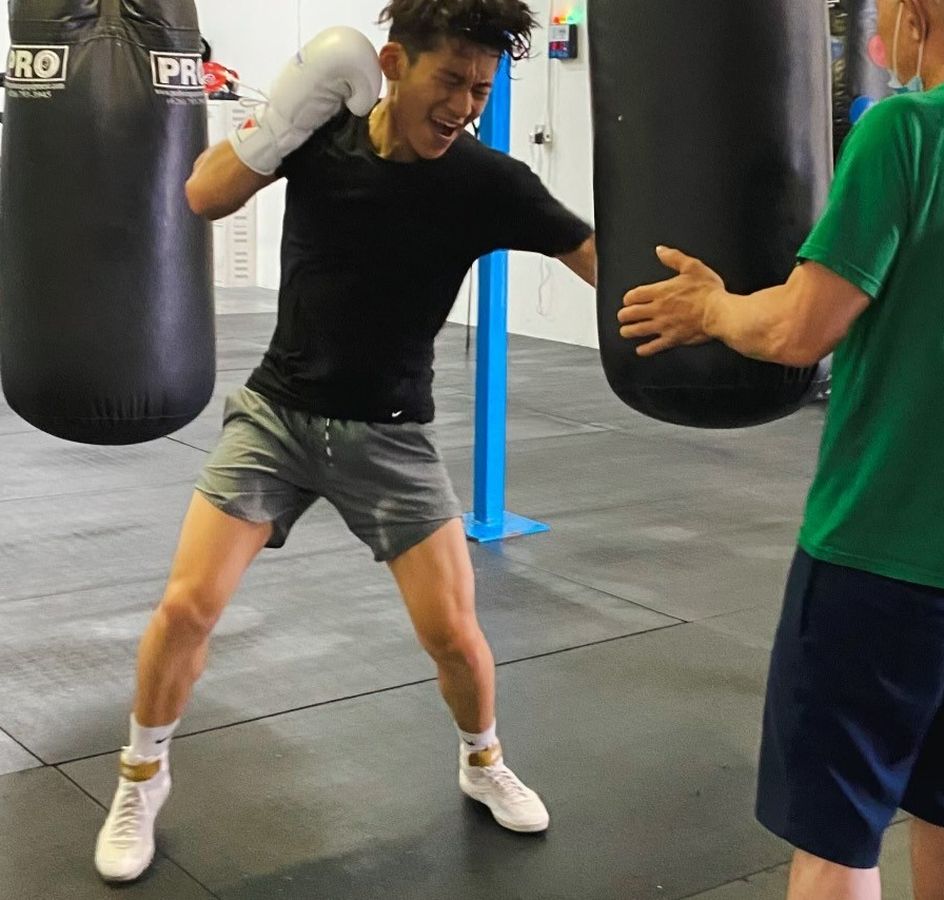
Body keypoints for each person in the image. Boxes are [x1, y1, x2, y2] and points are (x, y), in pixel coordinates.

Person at [618, 1, 944, 898]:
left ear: (913, 10)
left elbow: (800, 328)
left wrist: (710, 309)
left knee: (837, 841)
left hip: (878, 560)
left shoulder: (908, 129)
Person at [95, 0, 596, 883]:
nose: (464, 106)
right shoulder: (320, 140)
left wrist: (711, 316)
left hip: (392, 437)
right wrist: (279, 120)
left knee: (455, 636)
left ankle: (482, 761)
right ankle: (142, 777)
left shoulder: (489, 182)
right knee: (187, 608)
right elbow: (205, 195)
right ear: (395, 65)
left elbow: (594, 257)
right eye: (451, 81)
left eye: (481, 89)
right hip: (277, 418)